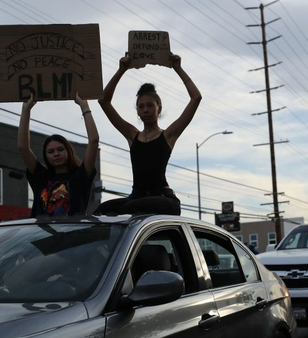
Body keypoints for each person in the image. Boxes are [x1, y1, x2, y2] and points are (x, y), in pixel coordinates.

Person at [94, 52, 202, 216]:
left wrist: (178, 68)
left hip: (164, 200)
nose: (145, 110)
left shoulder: (168, 135)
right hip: (136, 198)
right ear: (137, 111)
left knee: (129, 209)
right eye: (141, 106)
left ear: (159, 107)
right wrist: (121, 69)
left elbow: (196, 98)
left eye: (150, 105)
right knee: (102, 210)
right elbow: (104, 101)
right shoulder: (132, 135)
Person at [18, 92, 98, 217]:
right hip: (40, 236)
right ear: (46, 156)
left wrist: (84, 106)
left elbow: (93, 141)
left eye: (60, 149)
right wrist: (26, 109)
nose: (56, 154)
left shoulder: (80, 177)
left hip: (71, 235)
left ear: (68, 151)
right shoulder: (42, 177)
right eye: (51, 151)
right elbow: (23, 148)